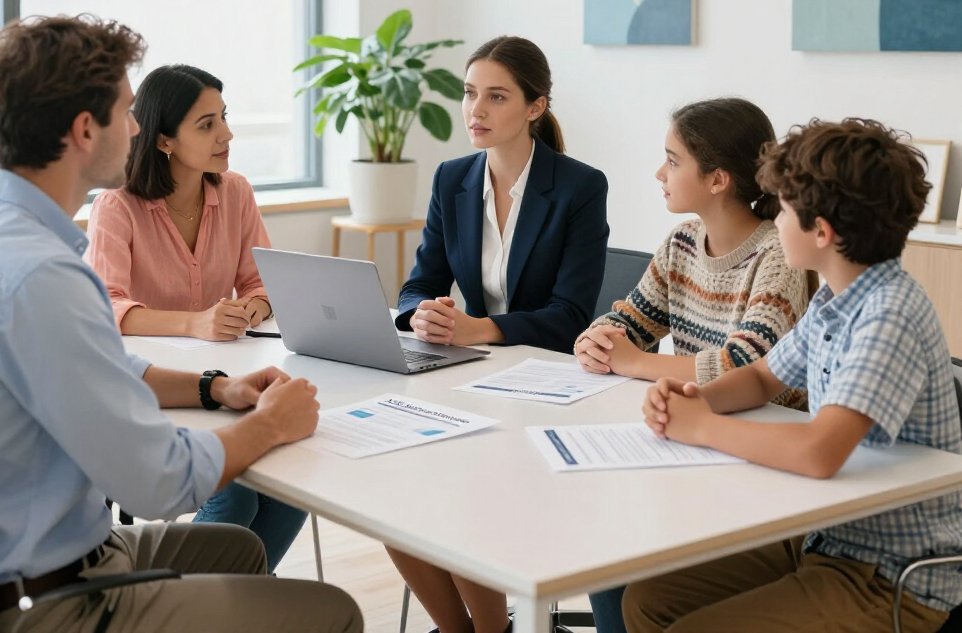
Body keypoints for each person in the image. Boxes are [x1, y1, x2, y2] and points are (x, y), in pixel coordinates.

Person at [0, 15, 362, 633]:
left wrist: (213, 387)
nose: (137, 127)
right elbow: (157, 484)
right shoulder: (42, 276)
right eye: (129, 111)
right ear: (86, 130)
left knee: (244, 552)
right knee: (334, 612)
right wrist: (268, 425)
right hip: (52, 598)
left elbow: (97, 366)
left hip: (29, 556)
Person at [627, 118, 962, 633]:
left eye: (782, 211)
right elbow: (762, 377)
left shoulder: (889, 313)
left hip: (888, 576)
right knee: (648, 599)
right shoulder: (834, 299)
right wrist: (693, 398)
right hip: (822, 537)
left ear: (821, 232)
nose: (774, 222)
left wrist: (700, 426)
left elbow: (818, 452)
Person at [388, 35, 609, 633]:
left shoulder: (579, 188)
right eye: (468, 94)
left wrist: (478, 327)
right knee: (393, 507)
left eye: (495, 96)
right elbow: (417, 285)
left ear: (535, 107)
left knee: (462, 502)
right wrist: (421, 316)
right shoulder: (451, 179)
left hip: (551, 390)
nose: (475, 111)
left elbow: (570, 315)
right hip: (470, 380)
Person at [574, 98, 813, 633]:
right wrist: (596, 340)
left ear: (718, 180)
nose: (660, 173)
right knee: (601, 543)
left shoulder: (777, 254)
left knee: (623, 551)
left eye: (673, 160)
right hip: (694, 439)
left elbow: (745, 364)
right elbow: (628, 320)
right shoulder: (683, 242)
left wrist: (638, 365)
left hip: (759, 457)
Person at [85, 62, 306, 572]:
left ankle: (232, 606)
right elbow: (107, 307)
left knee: (291, 487)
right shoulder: (117, 206)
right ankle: (190, 604)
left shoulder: (236, 192)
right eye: (206, 124)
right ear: (164, 140)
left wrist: (252, 306)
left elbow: (262, 282)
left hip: (231, 381)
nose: (227, 134)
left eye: (224, 118)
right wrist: (194, 322)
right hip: (153, 390)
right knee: (237, 496)